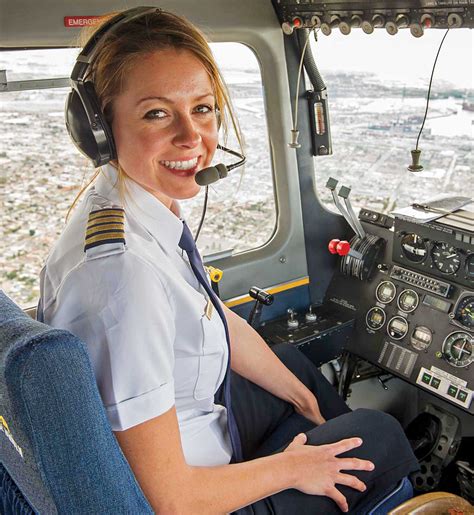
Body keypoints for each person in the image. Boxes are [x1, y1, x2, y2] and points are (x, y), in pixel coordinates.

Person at [37, 7, 418, 514]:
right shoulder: (123, 276)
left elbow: (212, 318)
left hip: (190, 432)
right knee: (379, 434)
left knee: (290, 368)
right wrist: (292, 468)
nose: (192, 137)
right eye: (156, 112)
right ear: (98, 129)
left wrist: (308, 405)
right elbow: (170, 499)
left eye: (203, 108)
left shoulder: (135, 208)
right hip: (199, 496)